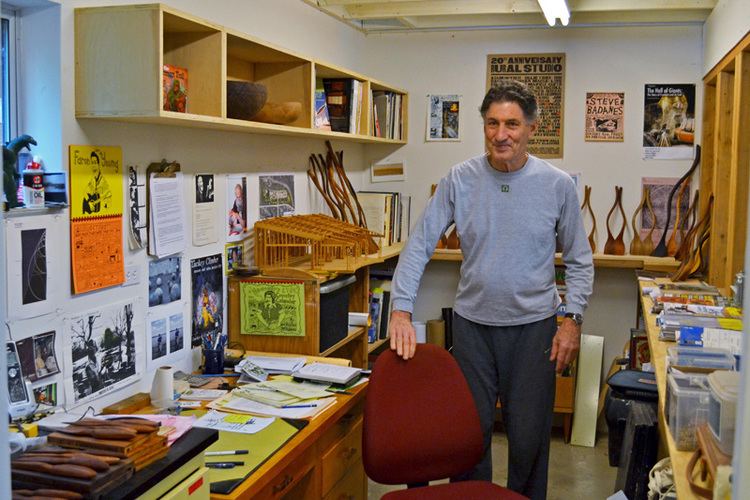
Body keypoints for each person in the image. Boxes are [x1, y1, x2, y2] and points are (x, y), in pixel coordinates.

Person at [388, 80, 594, 499]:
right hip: (472, 330)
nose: (502, 134)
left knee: (529, 439)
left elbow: (579, 258)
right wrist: (400, 309)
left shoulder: (557, 186)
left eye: (512, 124)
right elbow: (419, 245)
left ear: (532, 129)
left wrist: (571, 320)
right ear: (483, 126)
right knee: (468, 436)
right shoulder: (459, 180)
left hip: (535, 330)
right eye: (493, 123)